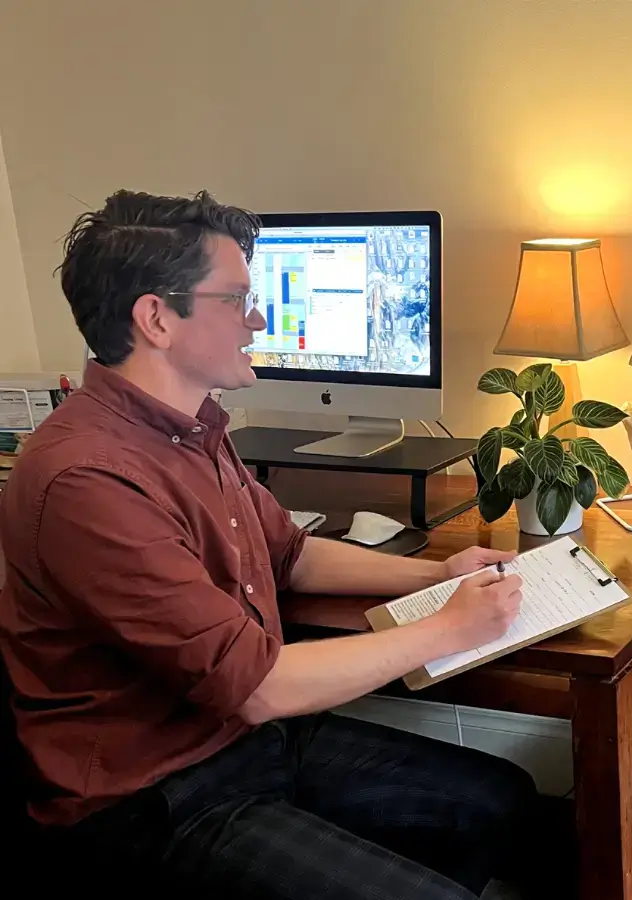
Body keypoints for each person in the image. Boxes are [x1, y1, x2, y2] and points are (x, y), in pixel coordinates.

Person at [0, 190, 539, 900]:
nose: (258, 319)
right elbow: (256, 686)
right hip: (151, 800)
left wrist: (435, 574)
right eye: (235, 300)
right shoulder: (86, 478)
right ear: (156, 317)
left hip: (244, 741)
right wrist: (449, 626)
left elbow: (291, 553)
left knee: (498, 800)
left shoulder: (192, 428)